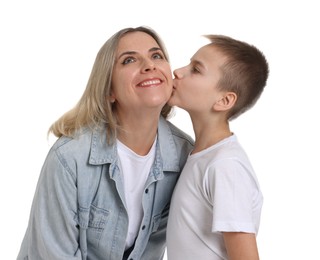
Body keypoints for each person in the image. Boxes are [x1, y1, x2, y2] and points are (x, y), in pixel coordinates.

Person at [17, 26, 194, 260]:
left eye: (156, 55)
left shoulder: (184, 154)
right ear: (109, 90)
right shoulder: (69, 157)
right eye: (129, 60)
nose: (149, 65)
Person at [166, 35, 269, 260]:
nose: (178, 71)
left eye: (196, 69)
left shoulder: (225, 166)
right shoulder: (198, 155)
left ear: (224, 101)